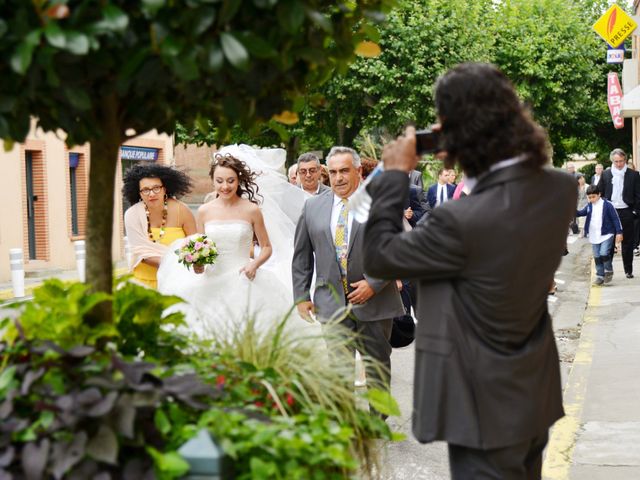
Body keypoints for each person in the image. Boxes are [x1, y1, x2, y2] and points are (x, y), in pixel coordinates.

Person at [362, 63, 574, 479]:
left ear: (460, 128)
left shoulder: (460, 220)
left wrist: (393, 176)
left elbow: (378, 255)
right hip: (533, 390)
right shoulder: (559, 189)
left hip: (480, 407)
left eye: (442, 121)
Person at [158, 146, 310, 337]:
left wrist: (254, 264)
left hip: (244, 278)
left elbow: (266, 247)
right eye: (219, 181)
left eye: (231, 181)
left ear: (239, 181)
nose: (225, 186)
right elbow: (202, 246)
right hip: (210, 283)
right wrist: (198, 265)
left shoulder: (251, 210)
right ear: (212, 181)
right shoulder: (205, 211)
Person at [292, 146, 404, 394]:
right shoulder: (312, 208)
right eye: (332, 172)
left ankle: (377, 424)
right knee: (339, 372)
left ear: (357, 170)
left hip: (374, 304)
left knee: (376, 370)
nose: (338, 177)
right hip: (330, 302)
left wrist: (373, 284)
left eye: (344, 171)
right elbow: (301, 256)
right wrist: (301, 296)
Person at [123, 164, 197, 289]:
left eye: (156, 188)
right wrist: (174, 262)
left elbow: (195, 245)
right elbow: (140, 252)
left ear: (164, 189)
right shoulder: (132, 214)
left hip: (178, 282)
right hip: (144, 283)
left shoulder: (182, 210)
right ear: (139, 193)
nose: (151, 194)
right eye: (145, 190)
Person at [597, 148, 640, 278]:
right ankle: (607, 270)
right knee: (608, 242)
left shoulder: (634, 174)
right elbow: (599, 193)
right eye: (616, 161)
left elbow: (638, 196)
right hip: (610, 212)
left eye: (621, 161)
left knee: (627, 243)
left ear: (625, 160)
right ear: (612, 161)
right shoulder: (605, 174)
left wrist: (634, 212)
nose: (619, 164)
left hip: (627, 211)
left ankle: (628, 270)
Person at [576, 184, 623, 285]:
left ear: (599, 194)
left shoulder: (608, 205)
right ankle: (600, 276)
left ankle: (608, 270)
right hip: (594, 235)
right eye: (589, 197)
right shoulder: (589, 206)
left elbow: (616, 219)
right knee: (597, 256)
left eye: (593, 196)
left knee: (604, 253)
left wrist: (619, 232)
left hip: (607, 233)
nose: (591, 199)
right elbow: (580, 213)